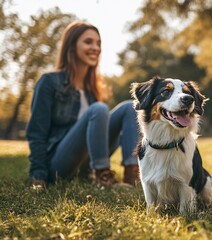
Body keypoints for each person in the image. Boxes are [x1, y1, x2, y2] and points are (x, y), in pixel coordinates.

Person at [26, 21, 140, 189]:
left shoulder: (92, 90)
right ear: (71, 46)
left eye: (98, 43)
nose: (95, 47)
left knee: (131, 106)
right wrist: (38, 176)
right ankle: (102, 175)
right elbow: (37, 133)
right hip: (59, 165)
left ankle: (133, 176)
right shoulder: (49, 82)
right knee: (99, 109)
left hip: (85, 164)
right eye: (88, 42)